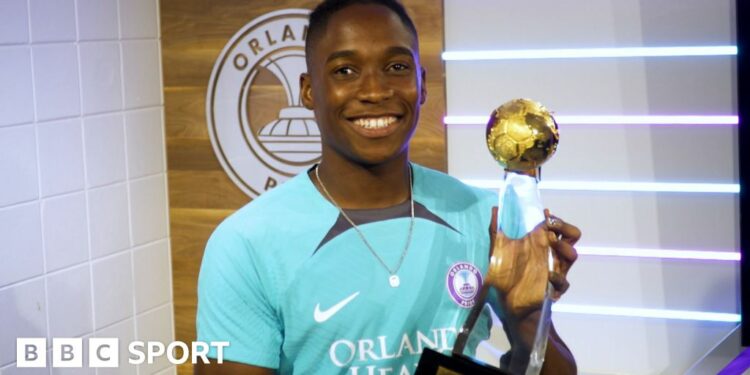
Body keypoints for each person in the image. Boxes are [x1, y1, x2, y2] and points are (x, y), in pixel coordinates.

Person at [195, 0, 581, 374]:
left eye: (396, 67)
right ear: (309, 90)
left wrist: (528, 316)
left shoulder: (486, 220)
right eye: (345, 71)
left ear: (421, 84)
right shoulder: (245, 244)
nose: (376, 91)